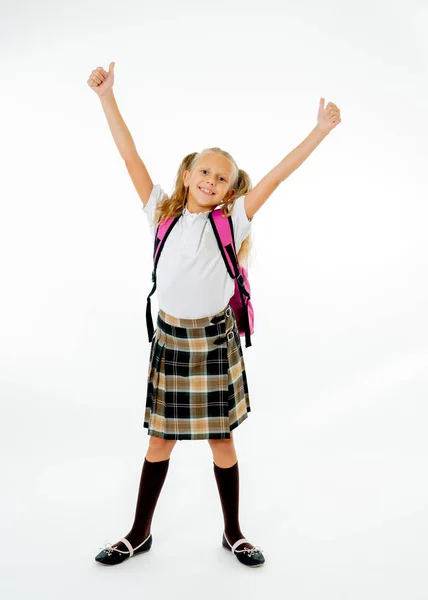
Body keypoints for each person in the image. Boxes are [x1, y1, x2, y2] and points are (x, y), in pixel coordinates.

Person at [87, 61, 341, 569]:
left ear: (230, 189)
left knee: (221, 440)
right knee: (160, 439)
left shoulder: (236, 219)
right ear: (187, 174)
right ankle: (139, 532)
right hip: (170, 341)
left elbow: (278, 174)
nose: (211, 179)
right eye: (203, 170)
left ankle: (233, 533)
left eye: (221, 177)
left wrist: (319, 130)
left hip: (213, 340)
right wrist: (107, 97)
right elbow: (128, 151)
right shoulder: (161, 211)